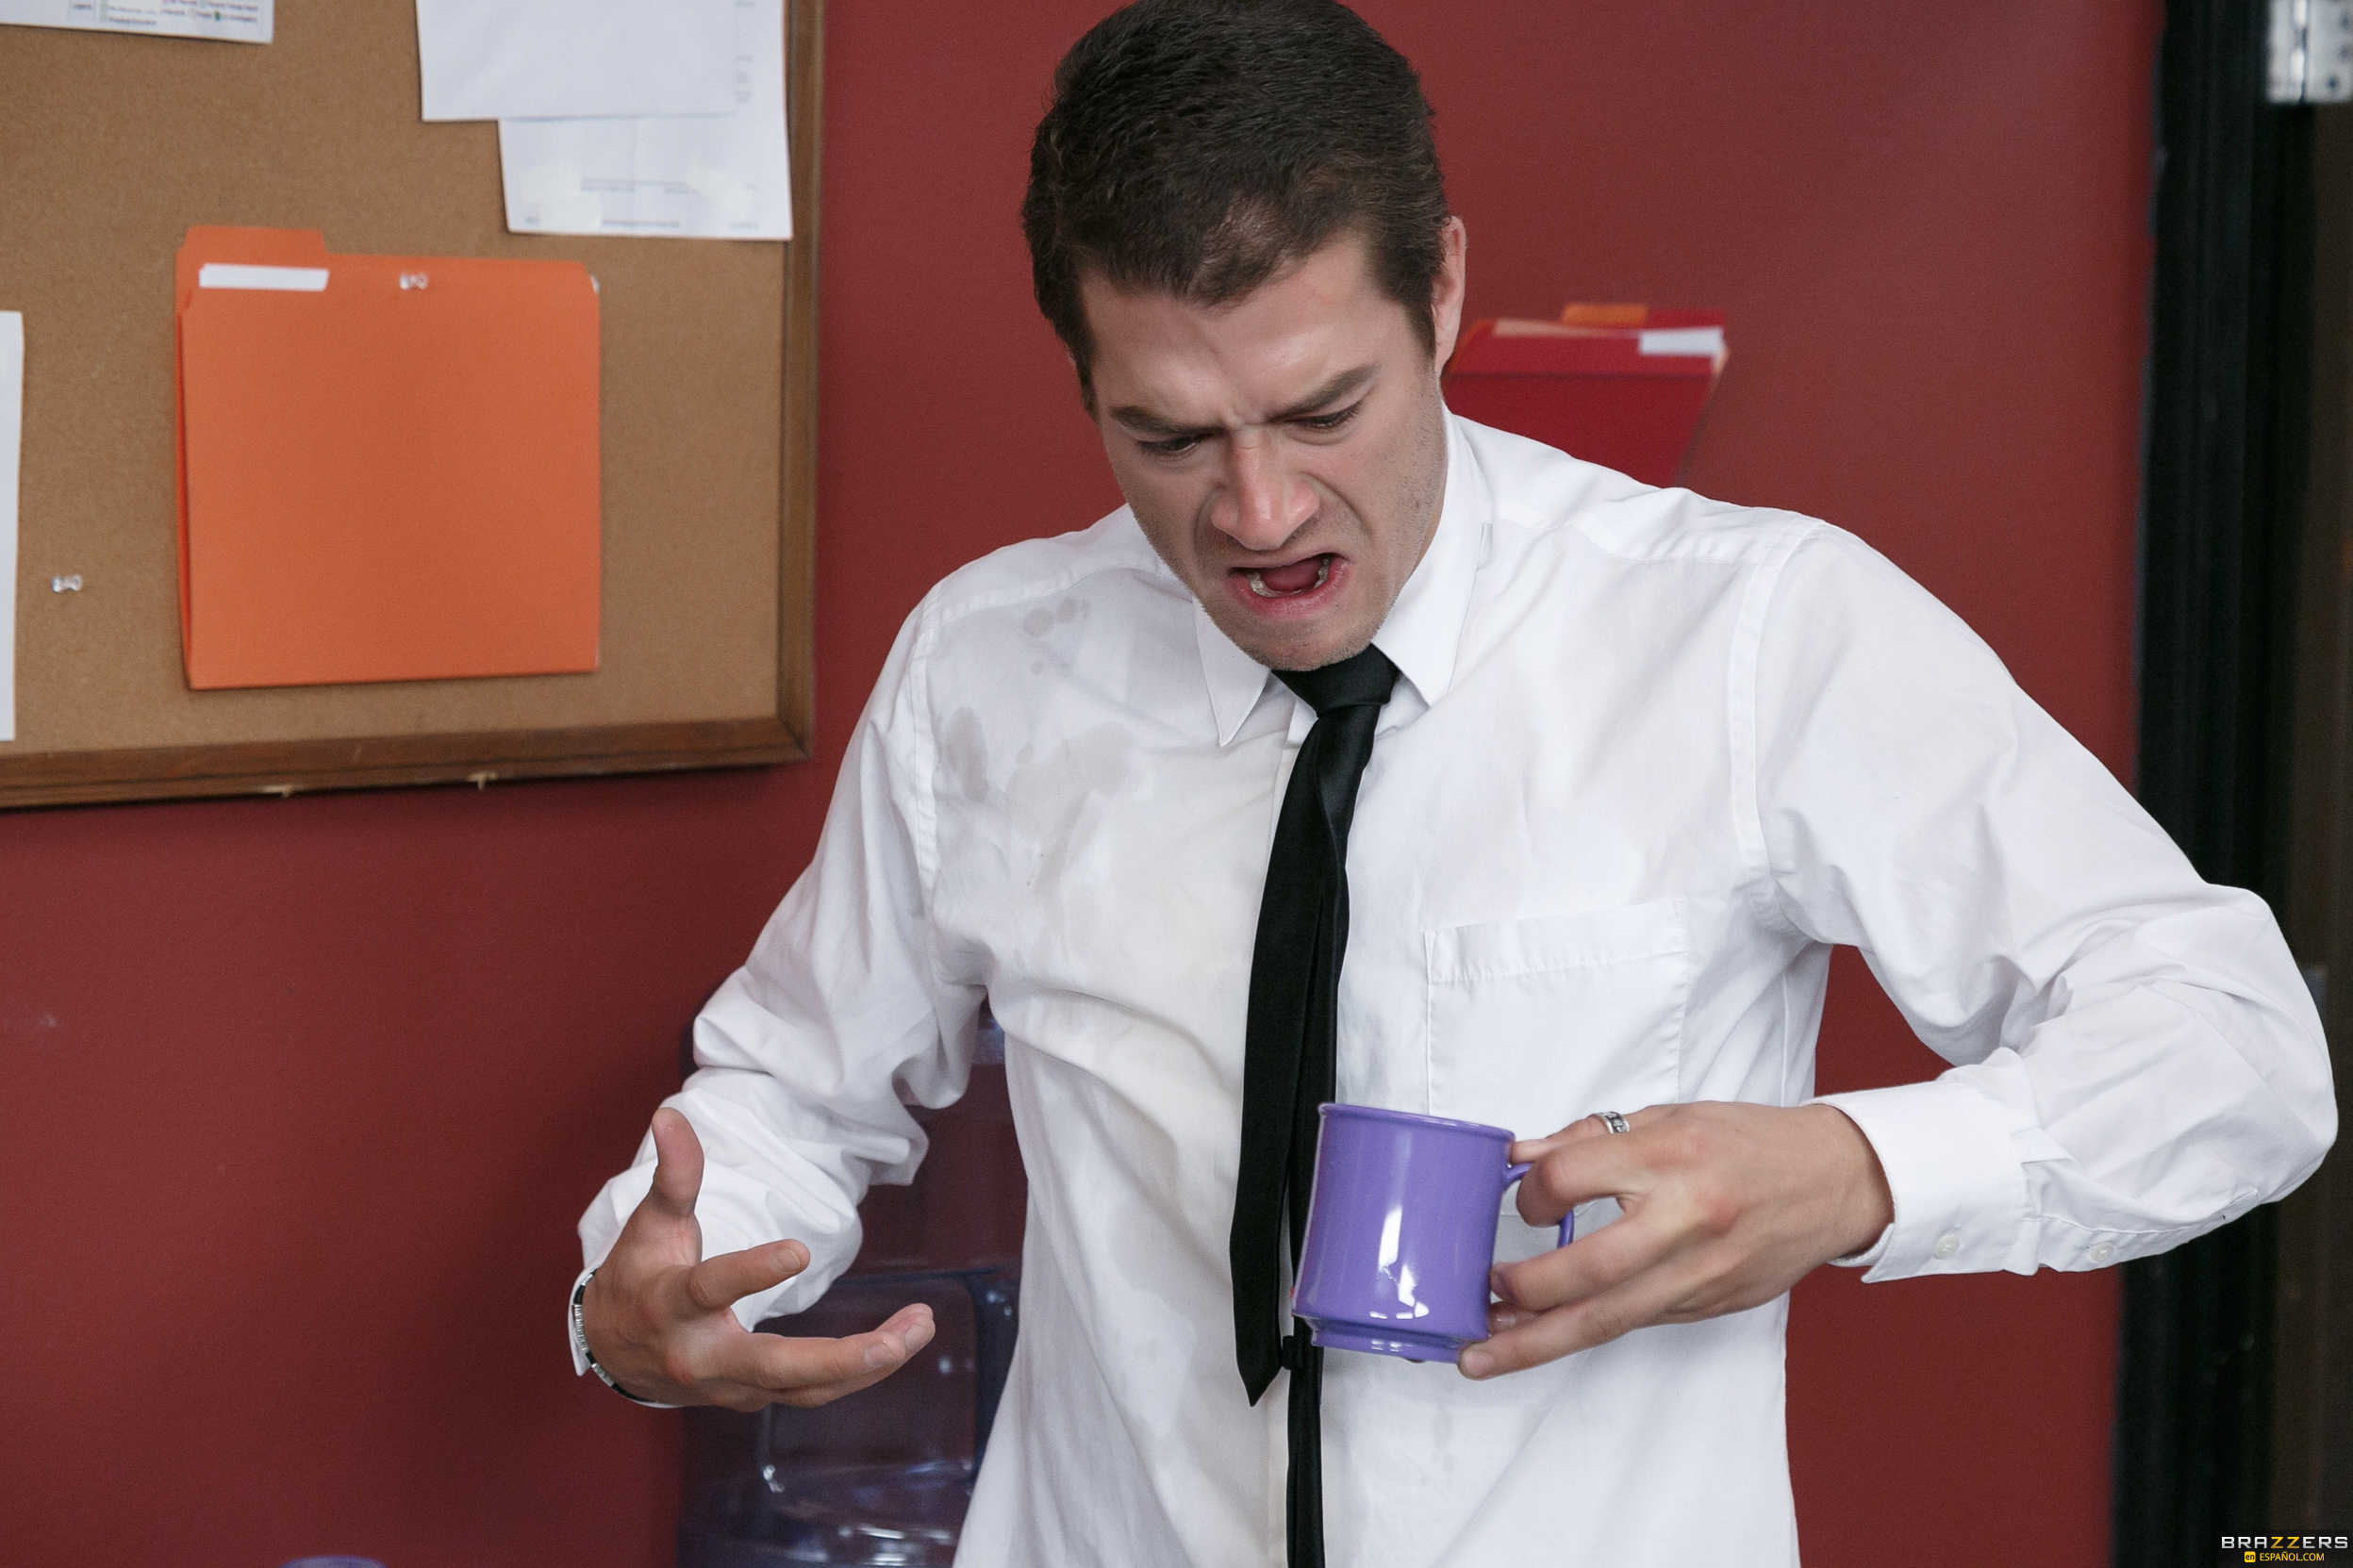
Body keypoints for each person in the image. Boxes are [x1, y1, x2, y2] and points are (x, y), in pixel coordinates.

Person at [570, 2, 2337, 1563]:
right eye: (1168, 437)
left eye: (1324, 410)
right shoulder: (987, 664)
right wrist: (645, 1282)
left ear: (1444, 294)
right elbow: (792, 1089)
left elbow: (2236, 1046)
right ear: (1084, 378)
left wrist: (1854, 1170)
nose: (1259, 513)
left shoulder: (1751, 631)